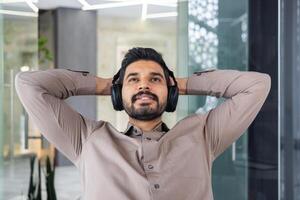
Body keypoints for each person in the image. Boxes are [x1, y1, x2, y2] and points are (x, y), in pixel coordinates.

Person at [15, 47, 271, 200]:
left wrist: (179, 83)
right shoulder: (87, 139)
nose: (144, 85)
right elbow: (29, 85)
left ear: (170, 92)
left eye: (155, 79)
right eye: (133, 80)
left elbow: (256, 85)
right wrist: (107, 85)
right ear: (118, 93)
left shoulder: (204, 135)